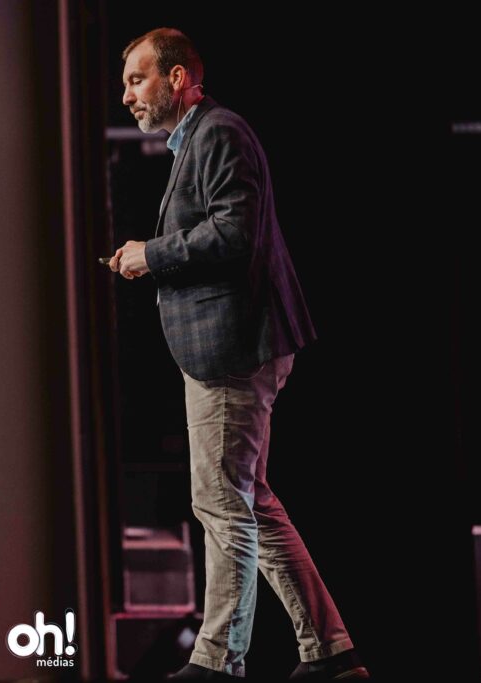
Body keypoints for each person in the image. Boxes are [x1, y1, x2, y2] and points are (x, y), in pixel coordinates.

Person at [110, 28, 370, 680]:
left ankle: (218, 661)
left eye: (137, 80)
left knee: (221, 501)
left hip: (232, 348)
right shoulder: (199, 139)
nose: (127, 97)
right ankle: (331, 650)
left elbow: (236, 232)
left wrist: (152, 254)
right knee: (247, 501)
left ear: (177, 78)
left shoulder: (219, 132)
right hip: (231, 345)